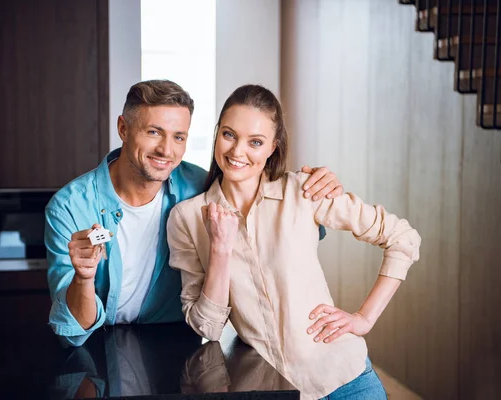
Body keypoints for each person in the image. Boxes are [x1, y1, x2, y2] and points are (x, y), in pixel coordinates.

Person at [166, 84, 421, 399]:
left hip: (347, 381)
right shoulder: (187, 218)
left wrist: (363, 318)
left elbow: (402, 238)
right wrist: (220, 248)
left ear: (273, 147)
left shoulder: (304, 191)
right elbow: (208, 328)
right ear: (217, 132)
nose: (237, 152)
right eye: (229, 135)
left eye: (255, 142)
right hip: (273, 390)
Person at [45, 80, 344, 348]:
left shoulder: (199, 188)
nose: (166, 150)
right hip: (97, 345)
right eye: (153, 132)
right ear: (123, 128)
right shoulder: (68, 208)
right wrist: (84, 278)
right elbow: (74, 330)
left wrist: (315, 187)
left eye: (179, 137)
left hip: (175, 341)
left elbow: (272, 216)